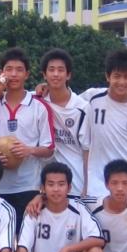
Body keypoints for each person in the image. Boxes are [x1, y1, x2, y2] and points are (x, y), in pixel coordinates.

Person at [0, 47, 55, 228]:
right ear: (2, 73)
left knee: (26, 240)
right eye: (9, 69)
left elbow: (49, 148)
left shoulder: (40, 106)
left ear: (27, 74)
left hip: (29, 187)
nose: (14, 74)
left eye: (19, 70)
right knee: (0, 241)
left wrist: (28, 150)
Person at [80, 49, 127, 199]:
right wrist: (44, 89)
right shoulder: (92, 99)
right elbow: (65, 100)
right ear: (107, 76)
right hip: (99, 183)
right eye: (117, 76)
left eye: (126, 77)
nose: (122, 82)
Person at [37, 49, 91, 198]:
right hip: (45, 187)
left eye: (61, 70)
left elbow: (87, 151)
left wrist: (87, 187)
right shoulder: (37, 103)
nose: (56, 74)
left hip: (75, 185)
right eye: (51, 70)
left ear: (68, 75)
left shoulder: (82, 108)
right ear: (44, 74)